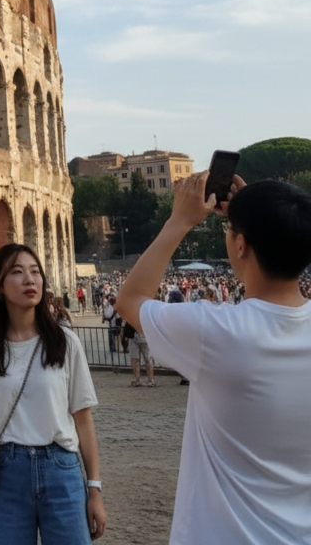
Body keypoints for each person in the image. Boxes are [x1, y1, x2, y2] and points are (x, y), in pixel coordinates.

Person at [116, 172, 311, 545]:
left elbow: (131, 300)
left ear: (241, 246)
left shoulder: (216, 332)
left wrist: (180, 220)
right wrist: (256, 217)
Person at [0, 243, 106, 544]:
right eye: (17, 272)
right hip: (6, 473)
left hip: (61, 467)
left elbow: (83, 420)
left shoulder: (65, 342)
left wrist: (94, 489)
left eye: (35, 272)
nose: (30, 279)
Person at [120, 322, 154, 387]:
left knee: (147, 359)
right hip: (134, 337)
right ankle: (139, 379)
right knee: (137, 359)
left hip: (143, 338)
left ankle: (149, 379)